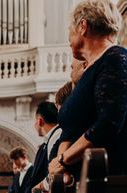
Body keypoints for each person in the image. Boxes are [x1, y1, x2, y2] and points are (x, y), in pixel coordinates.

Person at [49, 0, 127, 179]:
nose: (68, 37)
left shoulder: (115, 58)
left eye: (70, 29)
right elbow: (70, 128)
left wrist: (63, 160)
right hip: (79, 180)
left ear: (83, 26)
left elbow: (109, 122)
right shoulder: (89, 72)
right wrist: (61, 170)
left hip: (106, 179)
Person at [29, 102, 61, 188]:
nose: (34, 124)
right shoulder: (48, 140)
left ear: (40, 121)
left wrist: (40, 187)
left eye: (35, 120)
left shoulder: (56, 136)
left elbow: (55, 173)